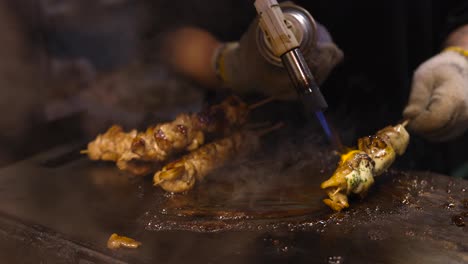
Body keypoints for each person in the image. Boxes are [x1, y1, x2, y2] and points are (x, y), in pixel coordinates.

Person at [157, 0, 468, 174]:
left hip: (418, 151)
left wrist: (459, 60)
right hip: (249, 168)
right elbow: (167, 35)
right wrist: (227, 63)